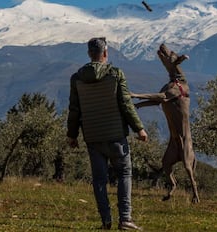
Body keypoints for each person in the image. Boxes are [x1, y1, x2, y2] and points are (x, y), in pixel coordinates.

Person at [66, 37, 148, 230]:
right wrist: (139, 129)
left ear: (89, 53)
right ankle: (125, 219)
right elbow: (126, 104)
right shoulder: (115, 74)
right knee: (124, 174)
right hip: (116, 135)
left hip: (93, 137)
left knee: (100, 180)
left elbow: (74, 110)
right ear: (105, 53)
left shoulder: (77, 78)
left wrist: (72, 135)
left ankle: (106, 221)